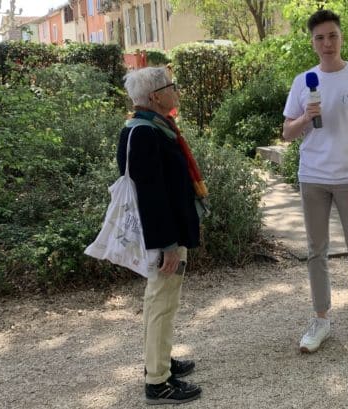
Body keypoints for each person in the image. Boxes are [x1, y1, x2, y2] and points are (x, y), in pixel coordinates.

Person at [282, 9, 348, 354]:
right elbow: (286, 133)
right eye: (320, 38)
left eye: (332, 36)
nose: (327, 43)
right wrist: (304, 118)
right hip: (313, 177)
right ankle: (321, 319)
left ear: (342, 38)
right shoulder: (302, 81)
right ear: (312, 43)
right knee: (316, 252)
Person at [119, 67, 208, 404]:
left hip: (167, 231)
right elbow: (151, 195)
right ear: (155, 96)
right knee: (161, 302)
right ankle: (158, 381)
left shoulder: (152, 127)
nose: (177, 91)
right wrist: (168, 245)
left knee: (161, 301)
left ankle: (159, 362)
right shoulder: (144, 133)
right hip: (163, 236)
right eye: (172, 86)